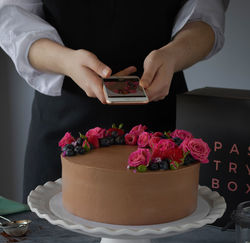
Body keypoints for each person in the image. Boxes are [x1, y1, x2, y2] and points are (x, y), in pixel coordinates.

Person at [0, 0, 229, 202]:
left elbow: (206, 15)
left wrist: (173, 55)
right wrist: (66, 61)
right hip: (62, 122)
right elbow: (12, 18)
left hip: (159, 120)